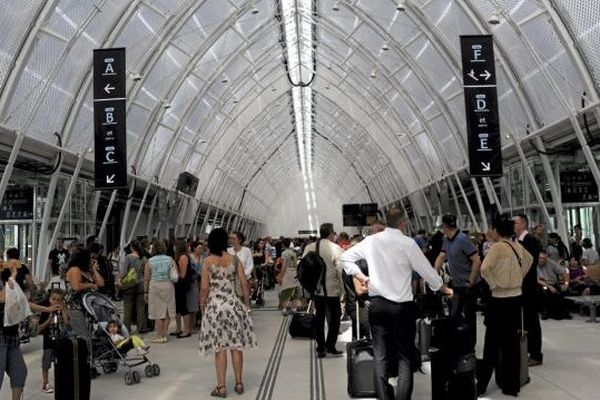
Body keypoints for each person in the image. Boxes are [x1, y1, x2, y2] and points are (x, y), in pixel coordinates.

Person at [341, 208, 452, 400]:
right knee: (404, 357)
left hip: (377, 307)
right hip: (401, 309)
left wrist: (360, 275)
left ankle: (384, 397)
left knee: (380, 357)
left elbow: (345, 258)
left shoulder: (370, 241)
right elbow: (427, 271)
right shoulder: (407, 244)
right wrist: (442, 287)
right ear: (403, 223)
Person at [477, 214, 532, 397]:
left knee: (492, 343)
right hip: (516, 298)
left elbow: (484, 269)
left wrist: (494, 284)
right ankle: (511, 385)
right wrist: (518, 277)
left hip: (499, 299)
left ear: (497, 230)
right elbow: (530, 260)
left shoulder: (497, 247)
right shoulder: (516, 246)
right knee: (511, 344)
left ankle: (482, 384)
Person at [199, 228, 256, 397]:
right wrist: (247, 305)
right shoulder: (235, 259)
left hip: (215, 307)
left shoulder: (208, 261)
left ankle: (221, 387)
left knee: (220, 348)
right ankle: (239, 384)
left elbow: (204, 288)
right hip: (233, 305)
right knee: (236, 346)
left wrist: (203, 307)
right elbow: (244, 284)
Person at [0, 261, 62, 400]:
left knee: (20, 373)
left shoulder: (9, 282)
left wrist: (47, 309)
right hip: (1, 336)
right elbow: (4, 297)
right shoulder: (9, 282)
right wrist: (13, 277)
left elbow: (24, 303)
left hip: (12, 335)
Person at [433, 214, 481, 340]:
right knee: (454, 315)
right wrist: (433, 273)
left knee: (469, 317)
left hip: (468, 285)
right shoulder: (446, 240)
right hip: (457, 285)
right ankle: (456, 345)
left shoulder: (462, 239)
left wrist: (471, 280)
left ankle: (470, 347)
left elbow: (476, 260)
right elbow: (441, 256)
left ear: (445, 226)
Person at [302, 223, 344, 358]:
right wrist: (343, 291)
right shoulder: (336, 248)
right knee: (335, 318)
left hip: (317, 290)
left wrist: (308, 287)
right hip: (332, 290)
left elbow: (303, 268)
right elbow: (340, 271)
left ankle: (320, 348)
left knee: (319, 318)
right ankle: (330, 345)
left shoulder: (310, 247)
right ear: (331, 234)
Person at [513, 213, 544, 367]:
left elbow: (529, 264)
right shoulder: (517, 241)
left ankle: (536, 354)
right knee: (524, 319)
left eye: (516, 223)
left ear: (523, 224)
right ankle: (527, 349)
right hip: (521, 286)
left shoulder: (530, 241)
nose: (514, 225)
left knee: (531, 319)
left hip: (529, 286)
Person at [65, 249, 104, 341]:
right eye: (90, 258)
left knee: (90, 332)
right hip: (75, 306)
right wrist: (91, 285)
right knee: (82, 334)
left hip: (88, 306)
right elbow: (76, 286)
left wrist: (94, 269)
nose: (92, 260)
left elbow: (101, 283)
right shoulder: (75, 270)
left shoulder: (88, 271)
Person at [144, 240, 176, 343]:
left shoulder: (150, 261)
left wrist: (145, 292)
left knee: (157, 312)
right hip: (168, 285)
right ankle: (165, 334)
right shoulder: (170, 259)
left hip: (155, 286)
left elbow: (146, 278)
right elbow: (176, 273)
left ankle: (158, 336)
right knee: (166, 311)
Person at [38, 288, 69, 394]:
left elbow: (67, 324)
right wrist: (48, 321)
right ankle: (45, 383)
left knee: (62, 362)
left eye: (58, 300)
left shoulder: (61, 311)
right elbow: (38, 329)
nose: (55, 302)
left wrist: (64, 311)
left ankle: (63, 382)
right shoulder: (45, 312)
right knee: (46, 363)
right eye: (53, 299)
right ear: (49, 299)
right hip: (48, 341)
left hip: (60, 341)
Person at [342, 235, 370, 340]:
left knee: (356, 335)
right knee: (370, 336)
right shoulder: (356, 265)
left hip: (353, 305)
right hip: (360, 306)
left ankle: (355, 354)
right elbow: (359, 290)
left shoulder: (348, 265)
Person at [118, 240, 148, 334]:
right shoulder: (144, 258)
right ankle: (142, 327)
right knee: (140, 307)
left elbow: (123, 272)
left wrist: (119, 279)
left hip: (130, 284)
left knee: (128, 306)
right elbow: (145, 272)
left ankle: (127, 328)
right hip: (141, 283)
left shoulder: (128, 257)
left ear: (131, 247)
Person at [538, 251, 571, 320]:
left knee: (564, 291)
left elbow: (564, 272)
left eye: (544, 258)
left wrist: (566, 284)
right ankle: (545, 312)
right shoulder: (534, 264)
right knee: (544, 291)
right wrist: (549, 287)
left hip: (554, 283)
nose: (542, 260)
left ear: (547, 258)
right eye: (540, 258)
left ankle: (565, 311)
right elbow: (537, 280)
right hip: (542, 284)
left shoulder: (551, 263)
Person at [172, 239, 193, 338]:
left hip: (182, 285)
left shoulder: (183, 257)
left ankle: (186, 330)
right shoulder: (181, 256)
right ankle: (178, 328)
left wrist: (174, 270)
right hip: (179, 285)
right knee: (178, 308)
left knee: (183, 307)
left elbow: (182, 275)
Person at [276, 238, 298, 314]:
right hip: (294, 272)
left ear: (283, 245)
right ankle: (294, 308)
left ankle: (284, 308)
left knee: (285, 290)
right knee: (294, 290)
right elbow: (295, 264)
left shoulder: (284, 253)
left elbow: (284, 265)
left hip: (287, 272)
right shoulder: (293, 253)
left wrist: (281, 276)